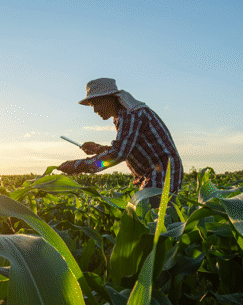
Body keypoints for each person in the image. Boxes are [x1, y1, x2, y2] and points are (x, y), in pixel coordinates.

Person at [57, 78, 183, 210]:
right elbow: (126, 148)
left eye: (97, 103)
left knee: (151, 216)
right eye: (92, 105)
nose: (95, 110)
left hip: (161, 172)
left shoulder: (130, 115)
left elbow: (118, 154)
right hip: (154, 172)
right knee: (148, 215)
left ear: (112, 98)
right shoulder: (123, 115)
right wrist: (98, 149)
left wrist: (78, 166)